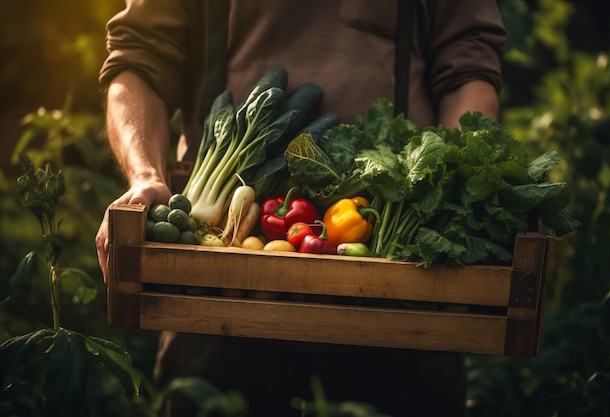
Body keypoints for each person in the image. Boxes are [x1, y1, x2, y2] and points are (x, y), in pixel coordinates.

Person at [95, 1, 507, 416]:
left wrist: (446, 187)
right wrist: (146, 175)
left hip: (401, 284)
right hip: (219, 276)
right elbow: (139, 57)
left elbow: (469, 63)